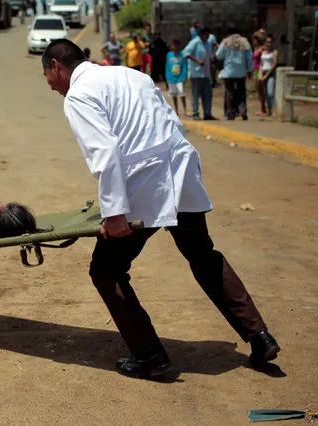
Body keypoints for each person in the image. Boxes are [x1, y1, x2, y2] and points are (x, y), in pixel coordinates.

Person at [40, 39, 280, 378]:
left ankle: (150, 356)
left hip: (144, 181)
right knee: (202, 254)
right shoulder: (131, 75)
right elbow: (172, 124)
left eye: (48, 76)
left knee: (106, 270)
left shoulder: (79, 94)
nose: (51, 85)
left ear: (56, 65)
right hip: (180, 168)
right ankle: (259, 335)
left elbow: (105, 151)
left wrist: (114, 211)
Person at [216, 28, 252, 121]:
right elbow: (249, 57)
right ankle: (243, 111)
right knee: (241, 93)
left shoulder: (225, 42)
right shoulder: (245, 41)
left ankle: (231, 113)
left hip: (229, 73)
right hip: (241, 72)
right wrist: (249, 70)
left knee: (229, 93)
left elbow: (218, 55)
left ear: (228, 33)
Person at [183, 27, 217, 120]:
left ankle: (207, 113)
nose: (208, 37)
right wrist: (197, 60)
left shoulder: (208, 44)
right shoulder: (195, 42)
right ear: (202, 34)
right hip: (196, 73)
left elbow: (209, 56)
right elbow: (186, 53)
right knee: (195, 94)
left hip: (206, 73)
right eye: (207, 35)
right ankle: (195, 113)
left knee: (207, 94)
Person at [165, 39, 188, 117]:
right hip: (171, 78)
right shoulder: (169, 55)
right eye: (173, 45)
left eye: (176, 45)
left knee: (182, 94)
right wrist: (167, 78)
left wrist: (184, 76)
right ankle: (176, 110)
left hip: (180, 77)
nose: (175, 46)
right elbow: (167, 67)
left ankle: (185, 111)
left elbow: (185, 66)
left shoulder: (182, 54)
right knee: (174, 95)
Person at [259, 34, 278, 117]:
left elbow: (274, 64)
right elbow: (260, 64)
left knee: (270, 93)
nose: (268, 44)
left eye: (270, 42)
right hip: (263, 72)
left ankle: (274, 111)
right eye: (267, 42)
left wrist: (266, 75)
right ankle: (268, 111)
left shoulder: (274, 52)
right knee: (265, 93)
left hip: (270, 73)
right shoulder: (263, 52)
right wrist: (260, 74)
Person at [252, 31, 267, 116]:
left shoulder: (262, 48)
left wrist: (259, 33)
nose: (254, 41)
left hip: (260, 70)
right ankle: (262, 109)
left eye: (255, 40)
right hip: (255, 70)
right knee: (258, 90)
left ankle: (265, 109)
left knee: (261, 89)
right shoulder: (256, 48)